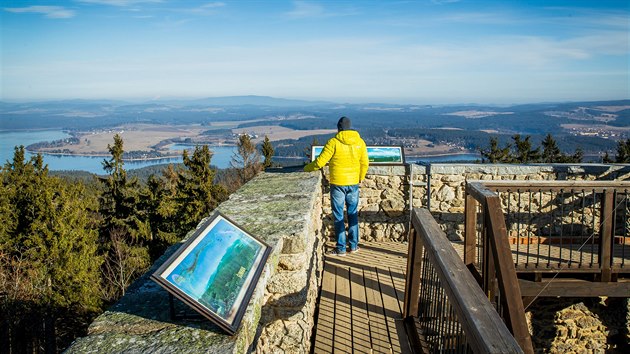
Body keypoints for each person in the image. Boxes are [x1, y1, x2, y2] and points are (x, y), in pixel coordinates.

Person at [304, 116, 369, 256]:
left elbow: (319, 163)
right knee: (353, 214)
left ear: (339, 128)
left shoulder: (333, 142)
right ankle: (353, 246)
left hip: (338, 183)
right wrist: (360, 178)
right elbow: (365, 163)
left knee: (338, 215)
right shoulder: (360, 142)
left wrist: (305, 169)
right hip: (353, 183)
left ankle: (340, 249)